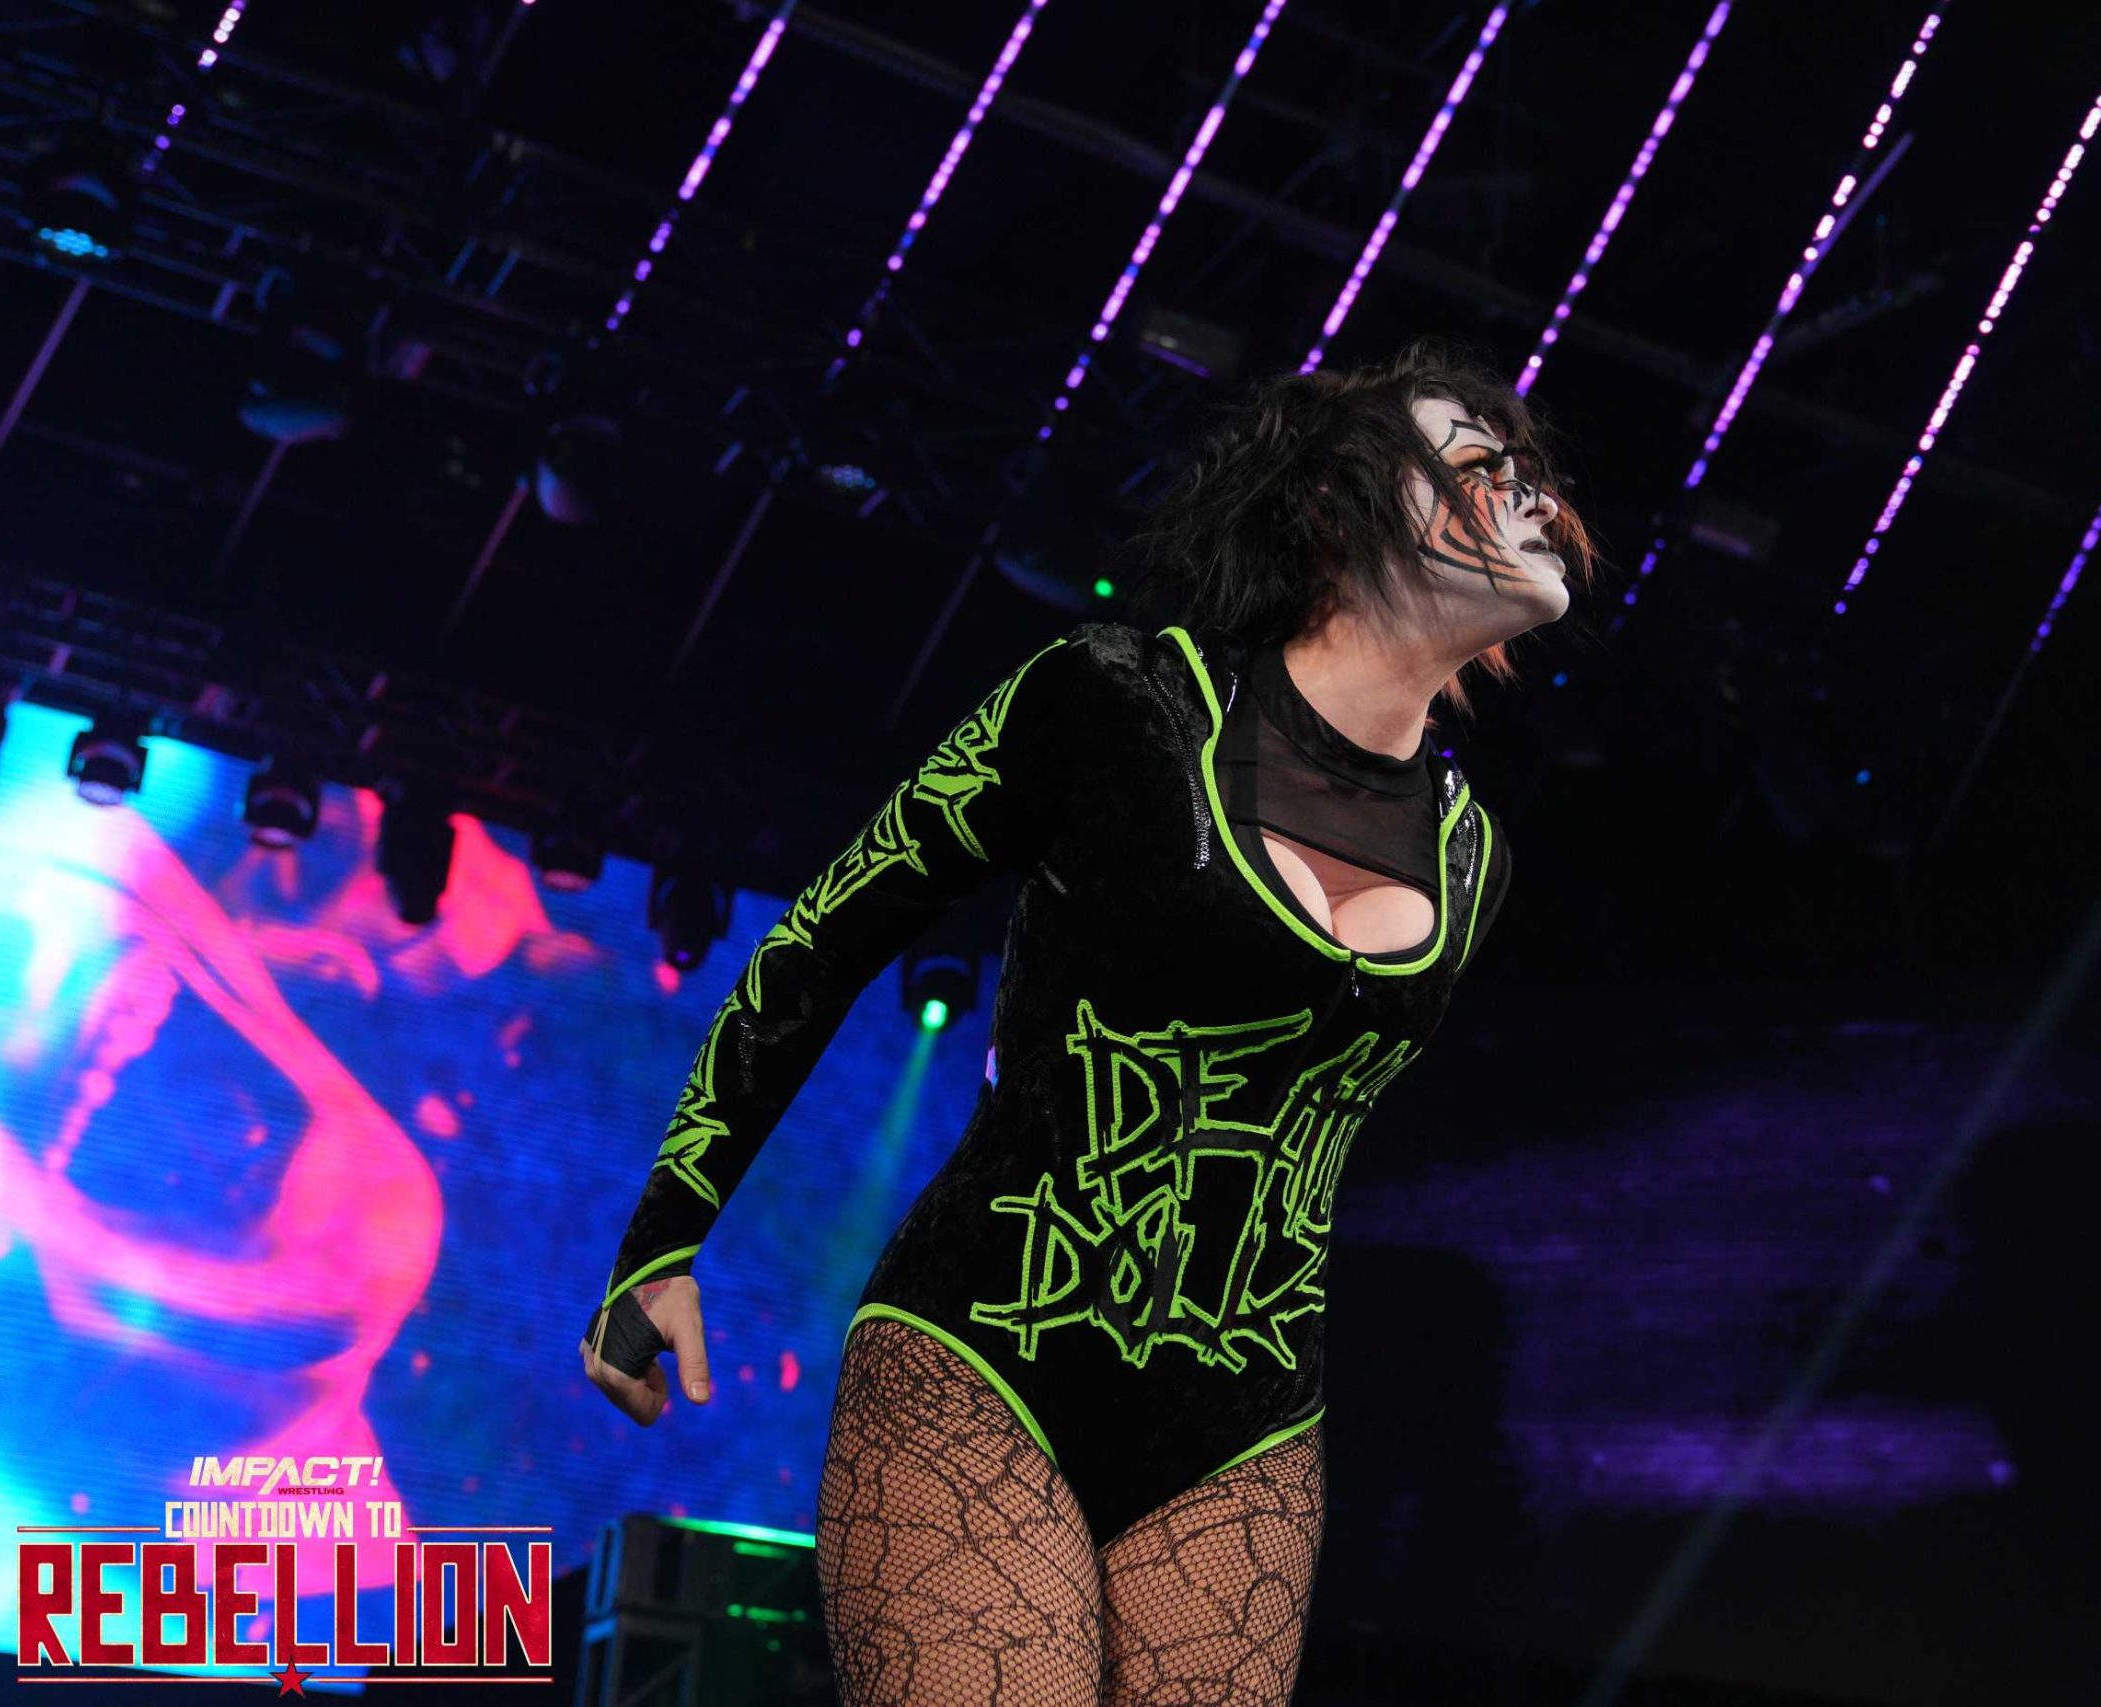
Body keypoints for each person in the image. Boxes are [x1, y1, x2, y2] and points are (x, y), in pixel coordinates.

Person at [580, 341, 1593, 1704]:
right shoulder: (1112, 700)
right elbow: (826, 938)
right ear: (1333, 513)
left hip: (1248, 1434)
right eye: (1475, 465)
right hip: (981, 1360)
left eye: (1528, 473)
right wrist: (663, 1238)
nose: (1528, 496)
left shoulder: (1474, 854)